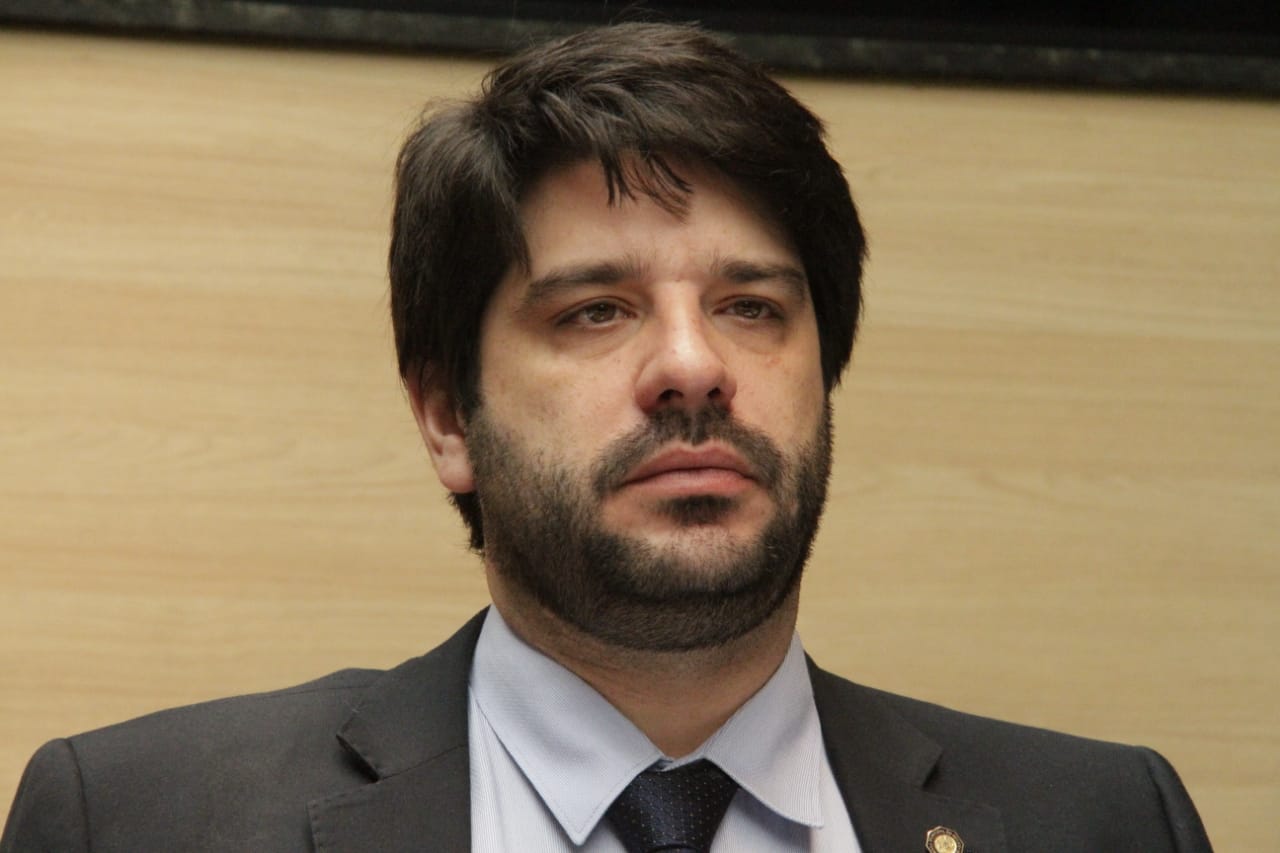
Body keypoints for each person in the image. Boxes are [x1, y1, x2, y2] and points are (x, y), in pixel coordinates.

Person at [2, 22, 1211, 853]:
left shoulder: (1102, 819)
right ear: (446, 418)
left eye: (751, 307)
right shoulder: (143, 818)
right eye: (595, 310)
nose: (692, 366)